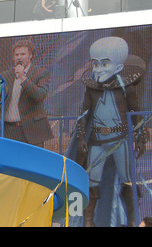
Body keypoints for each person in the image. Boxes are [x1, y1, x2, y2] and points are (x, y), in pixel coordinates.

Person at [70, 36, 147, 227]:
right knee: (92, 182)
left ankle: (131, 220)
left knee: (128, 182)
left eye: (105, 64)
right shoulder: (91, 89)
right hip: (97, 141)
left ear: (118, 67)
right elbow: (83, 115)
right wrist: (81, 138)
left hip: (121, 141)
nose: (99, 70)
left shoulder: (126, 88)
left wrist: (141, 136)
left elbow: (136, 114)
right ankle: (88, 222)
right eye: (95, 65)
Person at [0, 39, 53, 147]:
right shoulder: (6, 75)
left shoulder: (41, 73)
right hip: (8, 131)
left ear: (30, 55)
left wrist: (23, 78)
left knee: (30, 162)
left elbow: (39, 95)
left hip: (31, 131)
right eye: (16, 54)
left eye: (23, 54)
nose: (19, 57)